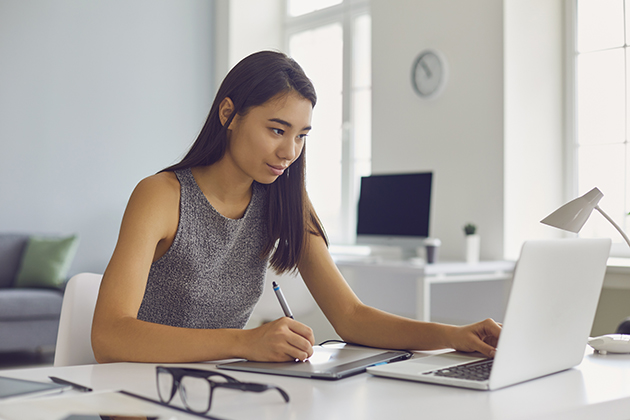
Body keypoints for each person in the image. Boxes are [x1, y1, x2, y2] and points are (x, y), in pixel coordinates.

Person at [91, 50, 501, 364]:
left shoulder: (283, 202)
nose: (289, 151)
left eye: (301, 135)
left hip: (217, 389)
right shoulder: (161, 195)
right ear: (229, 114)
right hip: (141, 392)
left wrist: (454, 336)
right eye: (276, 130)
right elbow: (110, 335)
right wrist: (244, 341)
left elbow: (352, 317)